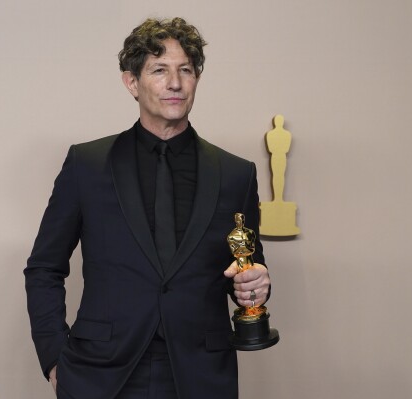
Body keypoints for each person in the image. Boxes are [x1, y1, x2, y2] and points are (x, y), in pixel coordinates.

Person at [24, 17, 271, 399]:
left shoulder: (237, 173)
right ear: (132, 82)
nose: (175, 83)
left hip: (201, 374)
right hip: (101, 374)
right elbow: (44, 268)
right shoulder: (86, 164)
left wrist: (256, 284)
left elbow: (244, 268)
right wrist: (56, 360)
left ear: (196, 80)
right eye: (159, 70)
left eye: (185, 70)